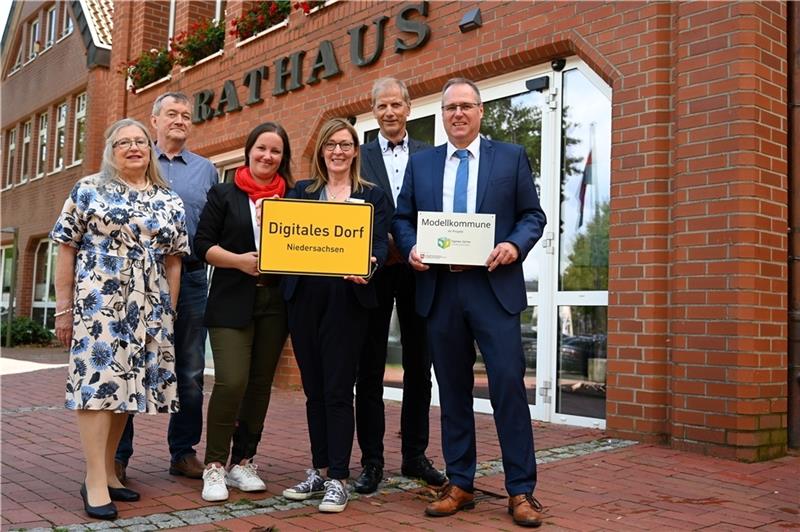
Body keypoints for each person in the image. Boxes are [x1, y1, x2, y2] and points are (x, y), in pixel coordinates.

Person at [392, 78, 548, 527]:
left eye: (465, 106)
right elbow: (404, 219)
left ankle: (521, 491)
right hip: (441, 289)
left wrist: (515, 246)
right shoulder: (422, 165)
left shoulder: (510, 157)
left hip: (492, 288)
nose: (457, 114)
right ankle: (460, 482)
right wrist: (412, 247)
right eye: (450, 108)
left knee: (507, 387)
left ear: (480, 112)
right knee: (453, 390)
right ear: (442, 116)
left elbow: (532, 215)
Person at [51, 118, 189, 520]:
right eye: (123, 142)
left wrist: (170, 310)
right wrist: (63, 308)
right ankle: (94, 480)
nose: (133, 147)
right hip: (99, 305)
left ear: (151, 149)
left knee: (127, 389)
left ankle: (110, 472)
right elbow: (65, 247)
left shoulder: (169, 199)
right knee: (98, 386)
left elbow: (175, 261)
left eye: (140, 142)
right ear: (111, 151)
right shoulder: (89, 189)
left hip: (150, 306)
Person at [281, 118, 389, 513]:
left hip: (348, 301)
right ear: (322, 151)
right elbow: (286, 241)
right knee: (315, 391)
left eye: (345, 145)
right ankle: (320, 469)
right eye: (331, 145)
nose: (338, 152)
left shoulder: (372, 196)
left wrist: (370, 264)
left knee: (340, 391)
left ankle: (339, 479)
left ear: (356, 151)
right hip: (305, 300)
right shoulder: (301, 193)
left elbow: (379, 246)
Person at [115, 92, 218, 482]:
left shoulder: (206, 170)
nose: (179, 120)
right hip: (135, 275)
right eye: (171, 113)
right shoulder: (135, 159)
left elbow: (210, 227)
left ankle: (182, 451)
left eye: (186, 115)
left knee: (190, 368)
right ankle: (118, 454)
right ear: (154, 120)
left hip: (189, 276)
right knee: (127, 362)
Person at [354, 77, 445, 494]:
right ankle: (371, 461)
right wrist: (383, 244)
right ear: (373, 111)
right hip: (372, 268)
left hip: (418, 270)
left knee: (418, 367)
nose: (389, 112)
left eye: (396, 104)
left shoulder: (431, 155)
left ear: (409, 107)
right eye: (381, 106)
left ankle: (414, 455)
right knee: (369, 369)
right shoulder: (360, 155)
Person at [193, 122, 292, 502]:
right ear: (249, 150)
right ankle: (215, 465)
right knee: (232, 381)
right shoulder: (224, 194)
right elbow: (203, 245)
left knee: (259, 385)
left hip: (275, 302)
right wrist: (238, 261)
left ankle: (244, 461)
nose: (268, 156)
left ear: (283, 158)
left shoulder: (293, 198)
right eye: (261, 148)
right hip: (231, 298)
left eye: (276, 151)